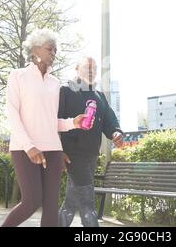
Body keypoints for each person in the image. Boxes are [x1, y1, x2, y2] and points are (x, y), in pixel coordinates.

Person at [1, 29, 87, 227]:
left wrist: (73, 122)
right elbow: (12, 114)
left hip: (53, 150)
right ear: (35, 50)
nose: (54, 53)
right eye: (50, 49)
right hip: (24, 149)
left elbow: (51, 121)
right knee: (31, 201)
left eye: (56, 50)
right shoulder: (17, 76)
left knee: (51, 207)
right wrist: (29, 146)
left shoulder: (55, 83)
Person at [58, 56, 124, 227]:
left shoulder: (99, 95)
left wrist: (116, 132)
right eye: (87, 67)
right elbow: (54, 121)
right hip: (72, 155)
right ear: (76, 68)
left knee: (70, 204)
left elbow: (110, 121)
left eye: (94, 68)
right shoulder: (65, 91)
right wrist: (58, 150)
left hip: (91, 155)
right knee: (88, 203)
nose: (91, 71)